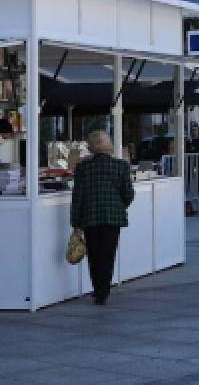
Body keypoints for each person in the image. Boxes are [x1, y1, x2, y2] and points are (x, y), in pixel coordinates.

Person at [70, 131, 135, 305]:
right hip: (113, 217)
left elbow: (78, 196)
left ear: (91, 148)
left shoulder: (83, 168)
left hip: (90, 216)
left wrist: (75, 222)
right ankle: (103, 290)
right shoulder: (121, 166)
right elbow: (128, 193)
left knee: (94, 254)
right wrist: (119, 206)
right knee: (108, 253)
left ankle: (98, 288)